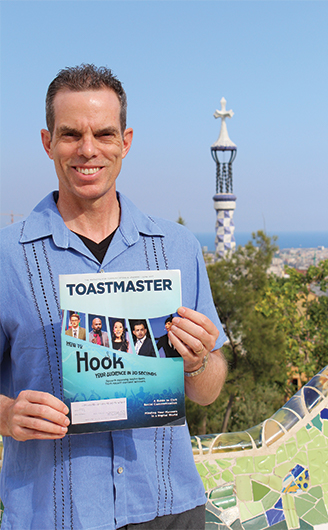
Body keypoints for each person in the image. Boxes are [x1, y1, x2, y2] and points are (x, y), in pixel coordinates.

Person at [0, 64, 227, 530]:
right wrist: (7, 414)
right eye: (70, 135)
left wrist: (198, 362)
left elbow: (208, 391)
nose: (88, 150)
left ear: (125, 142)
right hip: (53, 514)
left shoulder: (177, 247)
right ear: (48, 143)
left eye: (104, 134)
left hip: (170, 508)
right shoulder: (7, 257)